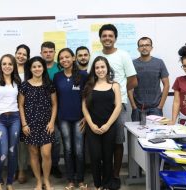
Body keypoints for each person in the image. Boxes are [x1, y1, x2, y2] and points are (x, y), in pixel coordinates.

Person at [87, 24, 137, 189]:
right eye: (104, 35)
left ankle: (114, 175)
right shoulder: (95, 55)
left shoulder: (123, 55)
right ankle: (101, 178)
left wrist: (118, 91)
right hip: (98, 104)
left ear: (115, 38)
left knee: (116, 141)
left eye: (110, 35)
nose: (107, 38)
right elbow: (90, 79)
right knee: (99, 142)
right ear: (100, 38)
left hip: (118, 103)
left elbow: (133, 80)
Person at [82, 56, 122, 190]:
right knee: (95, 156)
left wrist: (107, 125)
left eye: (102, 67)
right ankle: (97, 184)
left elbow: (118, 107)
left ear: (107, 68)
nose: (100, 70)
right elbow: (84, 108)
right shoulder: (89, 86)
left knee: (107, 155)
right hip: (92, 126)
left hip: (109, 126)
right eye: (97, 67)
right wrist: (92, 125)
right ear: (94, 69)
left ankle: (106, 184)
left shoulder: (114, 85)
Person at [18, 56, 57, 190]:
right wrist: (24, 124)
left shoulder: (49, 84)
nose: (37, 69)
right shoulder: (24, 85)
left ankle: (46, 180)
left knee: (46, 154)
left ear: (43, 68)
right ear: (30, 69)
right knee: (33, 154)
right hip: (30, 125)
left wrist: (52, 122)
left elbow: (54, 104)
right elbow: (21, 105)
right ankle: (39, 182)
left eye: (39, 66)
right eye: (34, 66)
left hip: (46, 125)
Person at [54, 48, 88, 190]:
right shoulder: (57, 76)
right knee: (67, 149)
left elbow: (87, 97)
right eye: (61, 58)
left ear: (73, 58)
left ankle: (80, 180)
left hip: (80, 118)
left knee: (79, 150)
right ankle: (70, 180)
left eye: (67, 57)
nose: (64, 60)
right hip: (63, 118)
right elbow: (55, 98)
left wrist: (86, 117)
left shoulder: (83, 75)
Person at [0, 54, 21, 190]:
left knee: (13, 152)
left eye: (10, 64)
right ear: (1, 66)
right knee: (3, 152)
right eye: (4, 64)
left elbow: (20, 102)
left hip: (15, 119)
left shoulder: (17, 82)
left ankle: (9, 182)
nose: (7, 66)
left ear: (14, 66)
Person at [128, 37, 169, 121]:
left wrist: (160, 106)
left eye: (147, 45)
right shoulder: (132, 64)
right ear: (138, 48)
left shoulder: (159, 62)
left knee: (156, 133)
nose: (144, 47)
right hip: (138, 109)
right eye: (141, 45)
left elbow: (166, 85)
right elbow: (129, 87)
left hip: (155, 109)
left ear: (151, 47)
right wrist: (134, 107)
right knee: (137, 133)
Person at [40, 41, 62, 178]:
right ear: (41, 53)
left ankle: (54, 165)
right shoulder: (37, 67)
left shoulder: (60, 67)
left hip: (59, 109)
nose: (48, 54)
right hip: (40, 111)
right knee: (41, 140)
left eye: (50, 51)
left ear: (54, 52)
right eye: (45, 51)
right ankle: (43, 165)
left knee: (57, 139)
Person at [14, 44, 31, 184]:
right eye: (19, 53)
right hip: (11, 110)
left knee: (23, 142)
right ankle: (14, 168)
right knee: (13, 141)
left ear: (28, 57)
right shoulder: (8, 68)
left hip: (28, 110)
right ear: (15, 54)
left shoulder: (30, 71)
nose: (21, 56)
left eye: (24, 54)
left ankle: (22, 169)